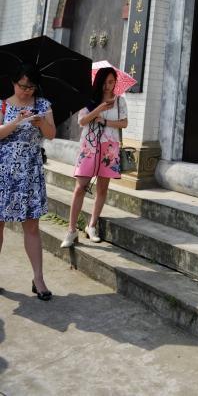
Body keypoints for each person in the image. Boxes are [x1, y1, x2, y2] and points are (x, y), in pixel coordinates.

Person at [0, 63, 56, 300]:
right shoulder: (3, 104)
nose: (26, 91)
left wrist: (41, 123)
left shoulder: (43, 105)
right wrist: (16, 121)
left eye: (31, 87)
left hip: (30, 173)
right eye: (22, 86)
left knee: (32, 226)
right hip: (3, 172)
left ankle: (38, 279)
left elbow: (51, 134)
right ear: (14, 83)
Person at [60, 67, 128, 248]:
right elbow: (81, 121)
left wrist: (105, 121)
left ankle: (92, 226)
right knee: (80, 187)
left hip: (109, 148)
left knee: (102, 189)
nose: (107, 86)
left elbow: (124, 123)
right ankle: (71, 230)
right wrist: (99, 108)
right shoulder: (89, 99)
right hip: (89, 147)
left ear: (115, 82)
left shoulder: (120, 101)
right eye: (104, 82)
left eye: (111, 82)